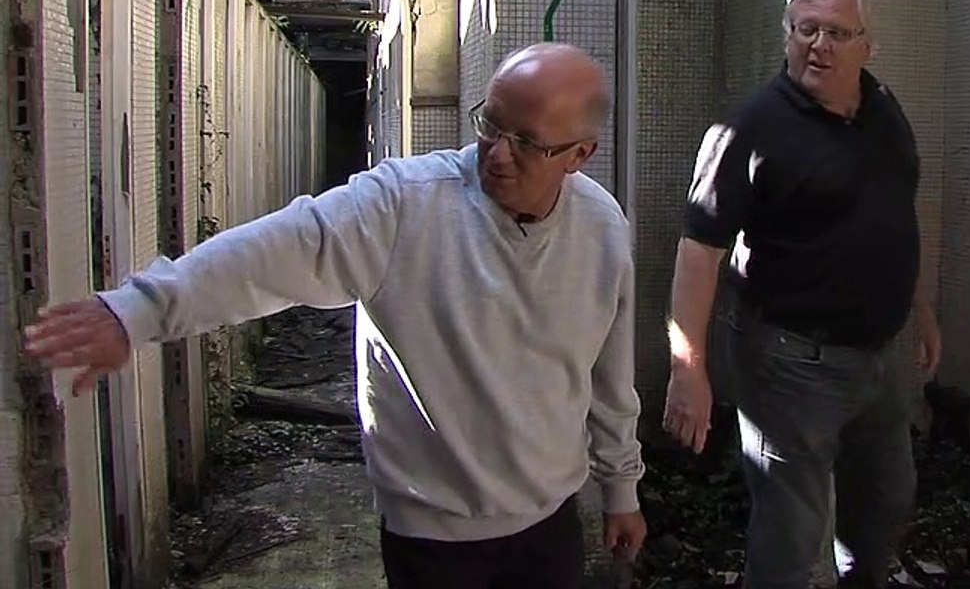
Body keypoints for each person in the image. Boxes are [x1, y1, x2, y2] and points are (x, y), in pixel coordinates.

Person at [25, 42, 647, 589]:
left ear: (578, 154)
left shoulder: (601, 228)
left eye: (527, 143)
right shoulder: (404, 206)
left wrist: (621, 488)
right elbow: (276, 249)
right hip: (433, 536)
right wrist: (138, 310)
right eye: (489, 124)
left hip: (552, 523)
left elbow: (608, 374)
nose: (497, 154)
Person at [661, 0, 943, 589]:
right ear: (788, 37)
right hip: (792, 361)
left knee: (884, 503)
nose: (819, 45)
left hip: (883, 354)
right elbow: (699, 250)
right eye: (805, 29)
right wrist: (689, 369)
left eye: (837, 33)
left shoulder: (884, 109)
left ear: (868, 45)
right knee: (791, 538)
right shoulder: (748, 129)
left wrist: (919, 309)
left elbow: (896, 215)